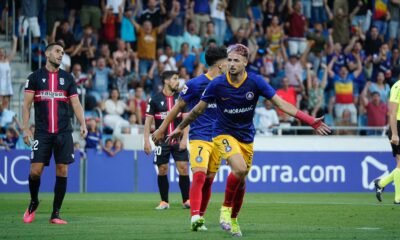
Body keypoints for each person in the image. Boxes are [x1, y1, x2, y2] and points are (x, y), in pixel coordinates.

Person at [166, 44, 330, 237]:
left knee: (241, 180)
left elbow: (281, 104)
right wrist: (179, 127)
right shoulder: (217, 84)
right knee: (240, 168)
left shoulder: (255, 82)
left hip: (245, 137)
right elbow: (197, 110)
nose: (232, 64)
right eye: (229, 60)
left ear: (245, 62)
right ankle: (225, 211)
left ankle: (234, 219)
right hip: (223, 134)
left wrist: (310, 120)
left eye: (236, 60)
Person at [152, 46, 227, 231]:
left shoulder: (228, 84)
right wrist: (162, 128)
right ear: (219, 64)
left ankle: (200, 216)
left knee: (209, 179)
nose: (229, 64)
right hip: (199, 136)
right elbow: (177, 108)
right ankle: (194, 218)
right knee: (199, 176)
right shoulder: (194, 84)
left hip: (219, 137)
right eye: (227, 61)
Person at [22, 42, 88, 224]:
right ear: (47, 54)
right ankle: (34, 201)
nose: (61, 55)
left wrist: (83, 123)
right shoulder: (34, 77)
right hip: (42, 132)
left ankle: (55, 213)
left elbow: (75, 103)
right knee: (35, 172)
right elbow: (26, 105)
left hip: (63, 132)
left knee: (63, 170)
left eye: (63, 52)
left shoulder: (67, 78)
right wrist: (26, 128)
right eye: (58, 51)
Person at [143, 71, 190, 210]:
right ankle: (164, 201)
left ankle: (186, 200)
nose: (178, 82)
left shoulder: (182, 99)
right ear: (166, 81)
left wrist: (184, 140)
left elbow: (187, 120)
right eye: (175, 79)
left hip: (178, 140)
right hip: (161, 142)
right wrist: (146, 141)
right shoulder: (155, 99)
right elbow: (147, 122)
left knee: (183, 168)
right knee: (162, 170)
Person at [374, 79, 400, 204]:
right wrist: (395, 133)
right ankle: (398, 198)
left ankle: (381, 183)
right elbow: (393, 112)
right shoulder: (397, 87)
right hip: (398, 127)